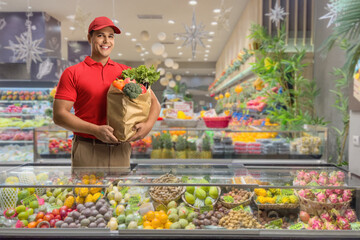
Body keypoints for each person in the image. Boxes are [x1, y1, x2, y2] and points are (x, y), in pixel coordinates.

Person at [53, 16, 161, 170]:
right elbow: (59, 115)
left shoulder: (126, 72)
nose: (106, 41)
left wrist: (148, 125)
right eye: (100, 35)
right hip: (87, 148)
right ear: (89, 38)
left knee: (119, 193)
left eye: (110, 36)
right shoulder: (72, 73)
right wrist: (95, 130)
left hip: (120, 150)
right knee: (86, 194)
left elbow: (154, 103)